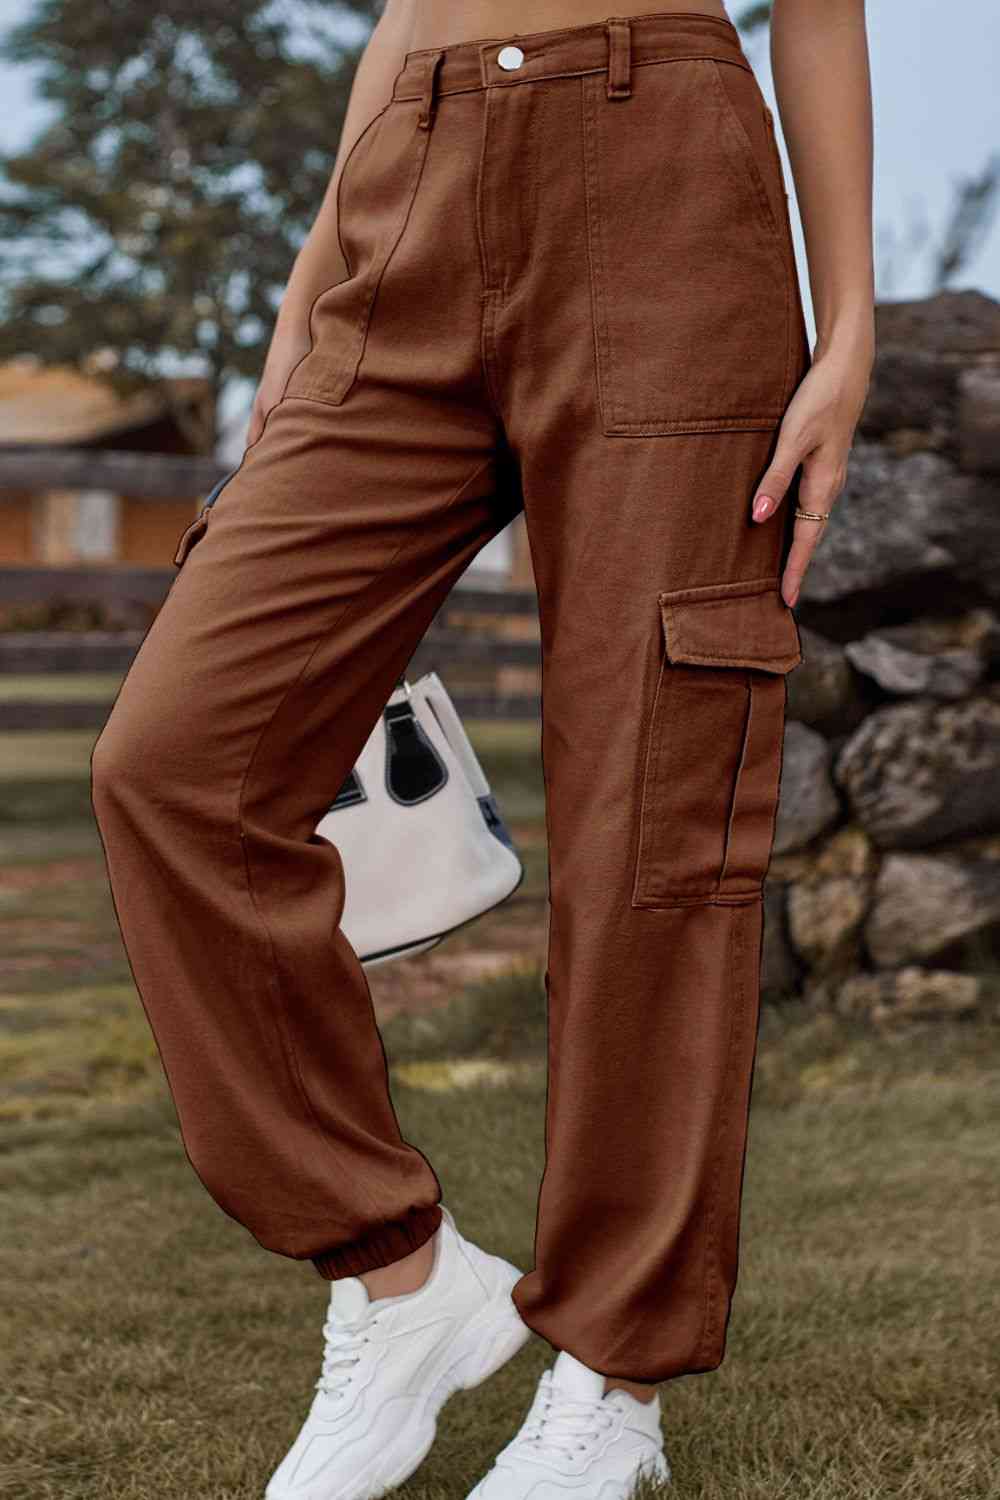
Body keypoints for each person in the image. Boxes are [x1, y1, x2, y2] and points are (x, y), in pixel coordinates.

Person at [89, 0, 874, 1495]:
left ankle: (612, 1381)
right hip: (412, 182)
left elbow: (822, 13)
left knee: (649, 815)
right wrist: (309, 289)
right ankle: (398, 1276)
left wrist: (850, 329)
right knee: (173, 765)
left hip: (667, 187)